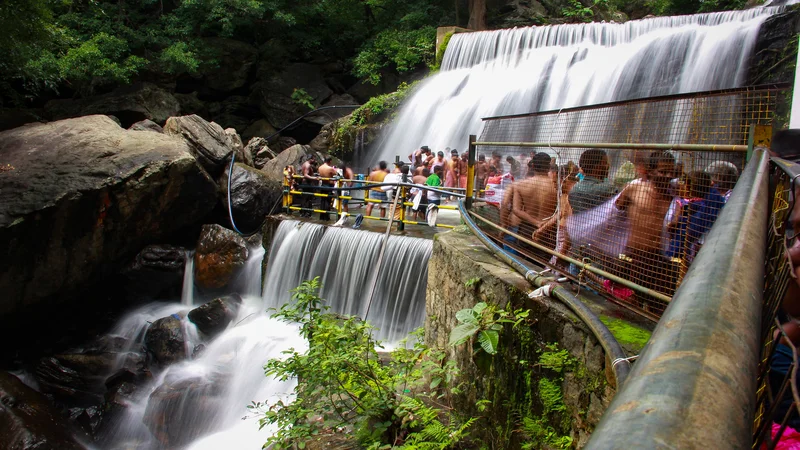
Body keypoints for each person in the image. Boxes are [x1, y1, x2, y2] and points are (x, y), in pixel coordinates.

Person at [614, 151, 676, 294]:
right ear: (651, 171)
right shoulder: (634, 189)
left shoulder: (675, 194)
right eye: (663, 172)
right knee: (632, 298)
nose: (668, 176)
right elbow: (613, 212)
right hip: (635, 256)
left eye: (671, 172)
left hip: (662, 258)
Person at [534, 164, 580, 268]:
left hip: (567, 239)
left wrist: (562, 251)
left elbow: (567, 220)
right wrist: (543, 228)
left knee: (556, 266)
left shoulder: (571, 196)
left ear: (565, 179)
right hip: (562, 237)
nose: (554, 185)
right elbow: (559, 214)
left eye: (555, 182)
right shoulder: (564, 194)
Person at [510, 152, 558, 248]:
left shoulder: (520, 185)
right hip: (549, 232)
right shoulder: (557, 186)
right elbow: (562, 211)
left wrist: (536, 223)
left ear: (532, 165)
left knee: (522, 259)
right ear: (549, 166)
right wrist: (544, 225)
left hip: (527, 229)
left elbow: (516, 210)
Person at [570, 149, 618, 214]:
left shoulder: (574, 188)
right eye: (605, 163)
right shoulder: (607, 188)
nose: (608, 166)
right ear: (597, 167)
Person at [317, 157, 337, 221]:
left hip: (322, 185)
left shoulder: (320, 167)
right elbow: (337, 174)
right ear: (330, 161)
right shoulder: (330, 168)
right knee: (327, 201)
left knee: (323, 201)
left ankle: (322, 217)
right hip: (329, 185)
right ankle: (326, 217)